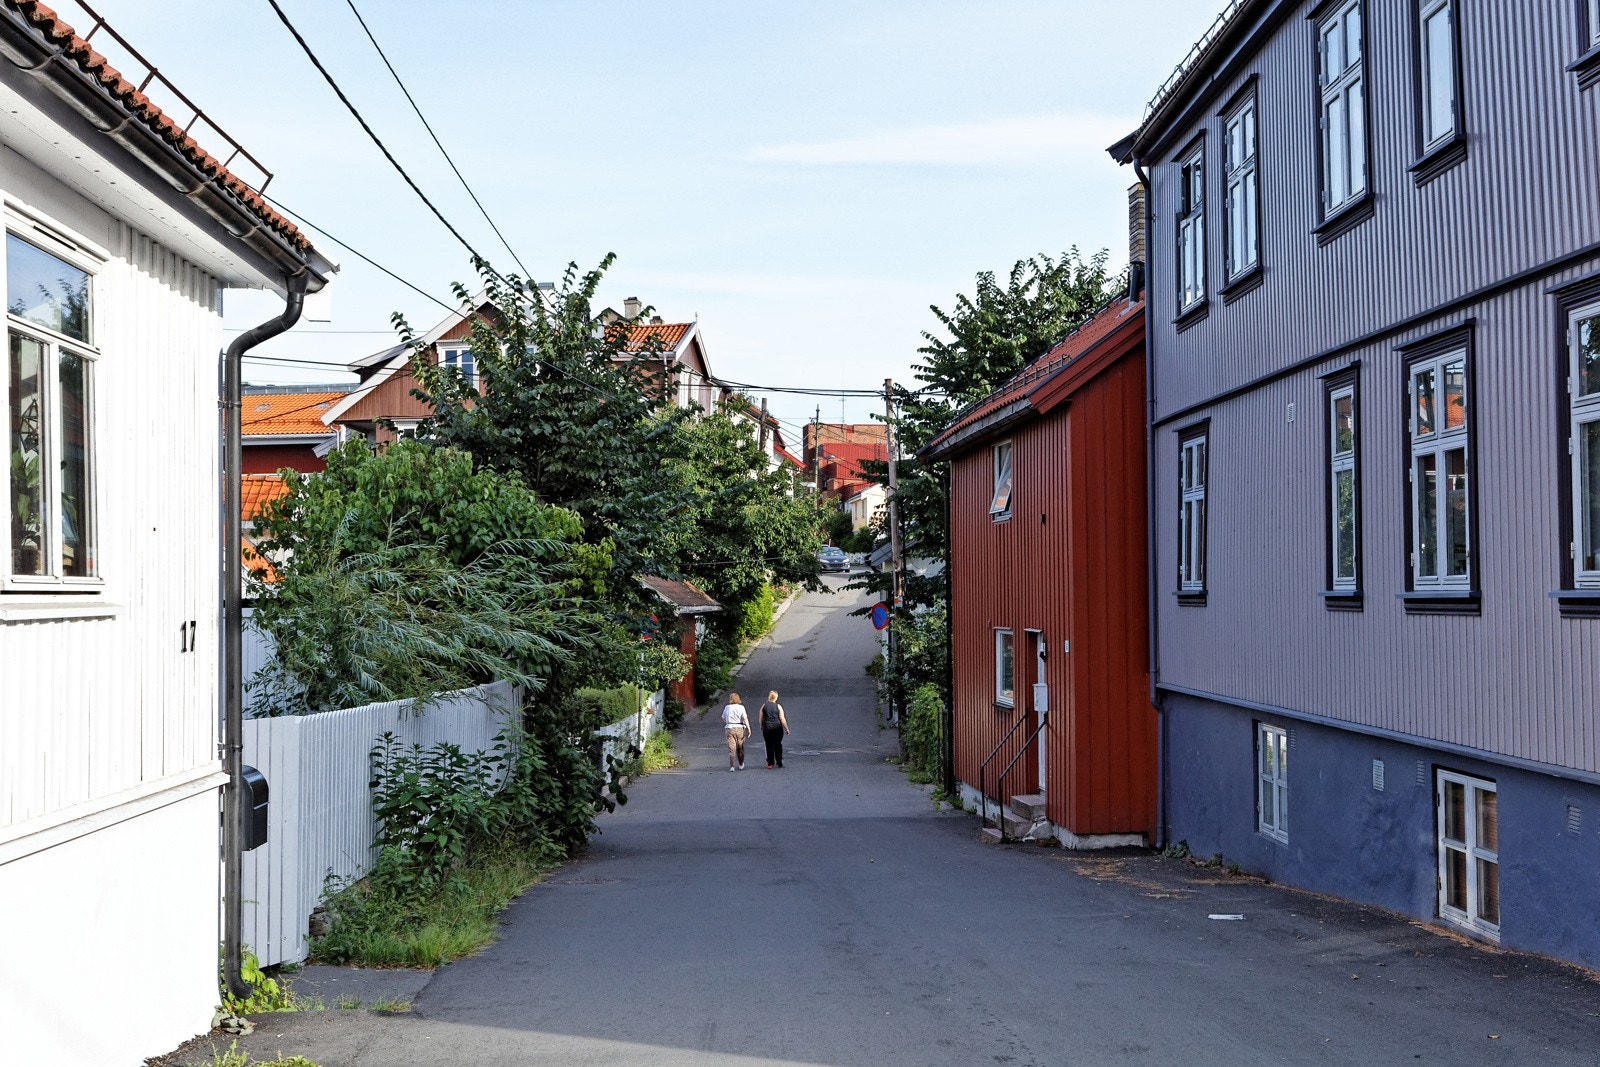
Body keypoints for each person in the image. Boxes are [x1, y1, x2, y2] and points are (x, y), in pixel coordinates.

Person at [759, 690, 790, 768]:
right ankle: (779, 761)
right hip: (777, 727)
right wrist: (786, 728)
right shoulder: (778, 706)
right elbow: (782, 718)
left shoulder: (764, 706)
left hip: (767, 727)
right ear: (776, 697)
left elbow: (760, 718)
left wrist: (761, 726)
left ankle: (770, 763)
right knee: (778, 744)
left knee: (769, 744)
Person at [722, 692, 750, 771]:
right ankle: (741, 763)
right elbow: (745, 718)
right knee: (740, 746)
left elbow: (723, 717)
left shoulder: (727, 707)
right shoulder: (741, 707)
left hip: (730, 727)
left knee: (732, 747)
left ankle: (732, 766)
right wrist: (748, 728)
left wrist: (728, 722)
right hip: (740, 728)